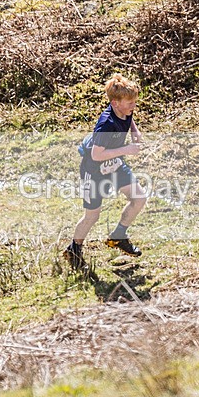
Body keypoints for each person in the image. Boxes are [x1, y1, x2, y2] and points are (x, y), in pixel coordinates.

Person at [64, 74, 148, 271]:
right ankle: (74, 250)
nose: (134, 106)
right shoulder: (106, 124)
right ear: (115, 103)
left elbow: (129, 118)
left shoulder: (125, 110)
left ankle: (118, 236)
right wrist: (127, 149)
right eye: (130, 102)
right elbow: (96, 155)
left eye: (134, 101)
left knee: (139, 198)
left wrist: (134, 131)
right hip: (94, 170)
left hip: (114, 164)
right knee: (92, 216)